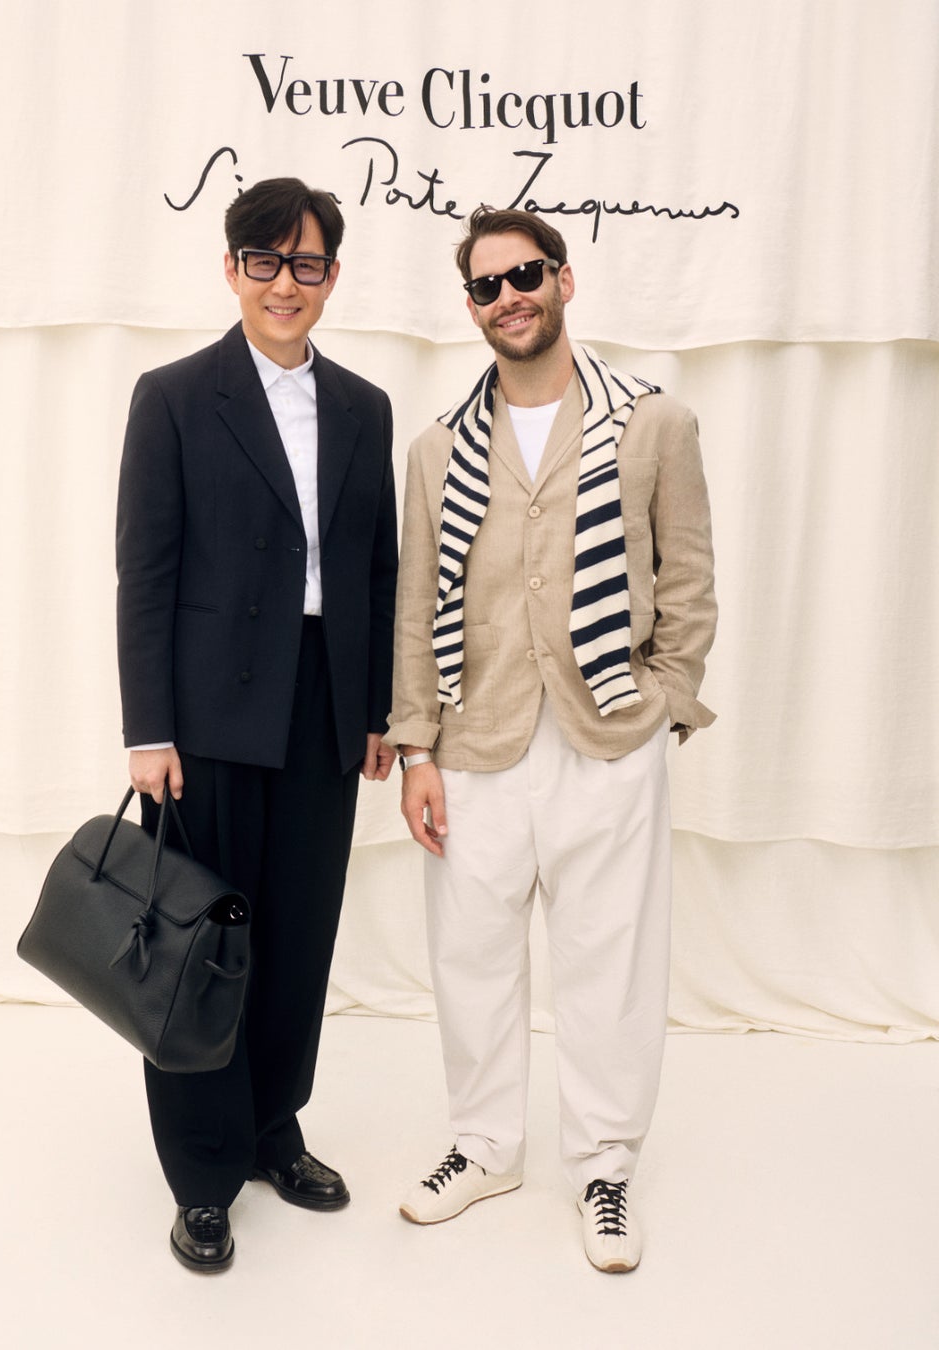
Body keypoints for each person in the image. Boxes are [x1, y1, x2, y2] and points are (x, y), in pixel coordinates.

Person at [387, 206, 716, 1272]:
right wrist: (417, 749)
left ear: (563, 280)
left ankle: (604, 1168)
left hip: (608, 736)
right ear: (472, 307)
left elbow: (687, 581)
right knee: (470, 956)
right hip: (474, 742)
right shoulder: (438, 449)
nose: (508, 297)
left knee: (609, 959)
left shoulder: (653, 424)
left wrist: (664, 701)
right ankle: (485, 1148)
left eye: (524, 275)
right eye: (486, 286)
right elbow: (413, 606)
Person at [116, 177, 397, 1272]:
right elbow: (146, 575)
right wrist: (149, 729)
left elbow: (377, 570)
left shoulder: (366, 407)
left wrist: (375, 709)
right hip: (206, 719)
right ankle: (201, 1177)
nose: (288, 283)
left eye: (308, 263)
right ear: (233, 270)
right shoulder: (175, 396)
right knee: (200, 951)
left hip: (323, 709)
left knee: (297, 937)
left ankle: (274, 1130)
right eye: (267, 262)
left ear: (332, 276)